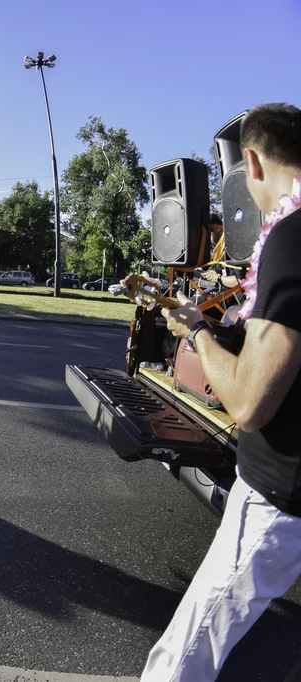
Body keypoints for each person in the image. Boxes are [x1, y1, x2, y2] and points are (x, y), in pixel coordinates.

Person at [141, 102, 301, 681]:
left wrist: (201, 334)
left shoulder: (290, 234)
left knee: (186, 654)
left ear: (251, 162)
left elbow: (251, 403)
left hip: (280, 496)